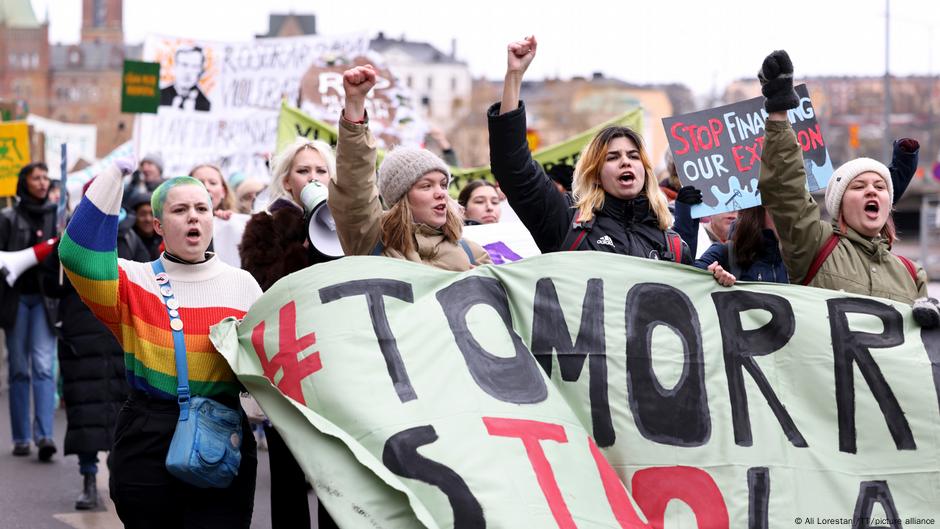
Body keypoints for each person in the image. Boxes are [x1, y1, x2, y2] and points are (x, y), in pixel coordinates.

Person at [60, 162, 262, 527]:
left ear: (214, 218)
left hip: (224, 432)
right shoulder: (133, 281)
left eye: (202, 209)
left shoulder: (244, 285)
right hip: (148, 436)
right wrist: (112, 177)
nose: (193, 218)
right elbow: (77, 253)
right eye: (180, 210)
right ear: (158, 225)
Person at [755, 50, 938, 327]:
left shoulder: (912, 274)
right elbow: (786, 191)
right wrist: (779, 112)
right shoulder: (814, 245)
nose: (872, 191)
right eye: (859, 186)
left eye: (879, 186)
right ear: (839, 203)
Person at [487, 36, 690, 263]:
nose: (626, 162)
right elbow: (513, 168)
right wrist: (514, 76)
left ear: (645, 170)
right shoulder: (567, 222)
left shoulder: (672, 245)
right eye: (612, 157)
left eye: (634, 156)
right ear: (595, 174)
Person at [240, 136, 339, 529]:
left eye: (320, 171)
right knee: (288, 475)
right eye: (304, 171)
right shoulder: (265, 227)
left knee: (336, 476)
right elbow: (266, 288)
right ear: (287, 181)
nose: (313, 177)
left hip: (334, 366)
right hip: (289, 366)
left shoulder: (344, 224)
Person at [40, 188, 148, 508]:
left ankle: (119, 476)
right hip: (81, 334)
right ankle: (88, 478)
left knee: (122, 409)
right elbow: (53, 287)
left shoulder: (128, 237)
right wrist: (56, 258)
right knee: (85, 411)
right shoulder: (71, 237)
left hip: (118, 333)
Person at [329, 64, 491, 270]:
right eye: (426, 186)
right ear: (400, 198)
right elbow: (354, 185)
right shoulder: (373, 243)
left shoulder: (472, 254)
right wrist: (354, 103)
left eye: (442, 184)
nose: (441, 193)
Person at [0, 162, 58, 460]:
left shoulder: (57, 217)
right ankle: (22, 437)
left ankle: (45, 435)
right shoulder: (8, 217)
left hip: (45, 301)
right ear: (24, 182)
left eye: (46, 177)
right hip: (16, 299)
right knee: (20, 368)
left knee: (44, 367)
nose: (42, 182)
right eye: (36, 177)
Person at [160, 46, 211, 111]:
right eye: (184, 65)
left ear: (201, 71)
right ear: (174, 67)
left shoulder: (205, 104)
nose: (188, 71)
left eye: (194, 66)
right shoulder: (159, 95)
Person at [128, 192, 163, 260]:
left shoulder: (165, 240)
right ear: (134, 216)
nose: (148, 219)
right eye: (142, 214)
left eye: (152, 214)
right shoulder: (128, 241)